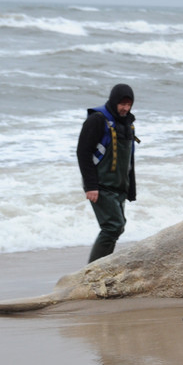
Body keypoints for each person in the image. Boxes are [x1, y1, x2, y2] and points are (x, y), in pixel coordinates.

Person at [77, 83, 140, 263]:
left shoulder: (128, 124)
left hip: (120, 186)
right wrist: (90, 186)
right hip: (101, 186)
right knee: (113, 227)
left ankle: (102, 268)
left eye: (129, 105)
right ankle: (91, 273)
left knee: (118, 228)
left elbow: (130, 160)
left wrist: (131, 189)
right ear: (114, 101)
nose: (125, 108)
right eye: (122, 104)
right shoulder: (97, 120)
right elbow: (83, 152)